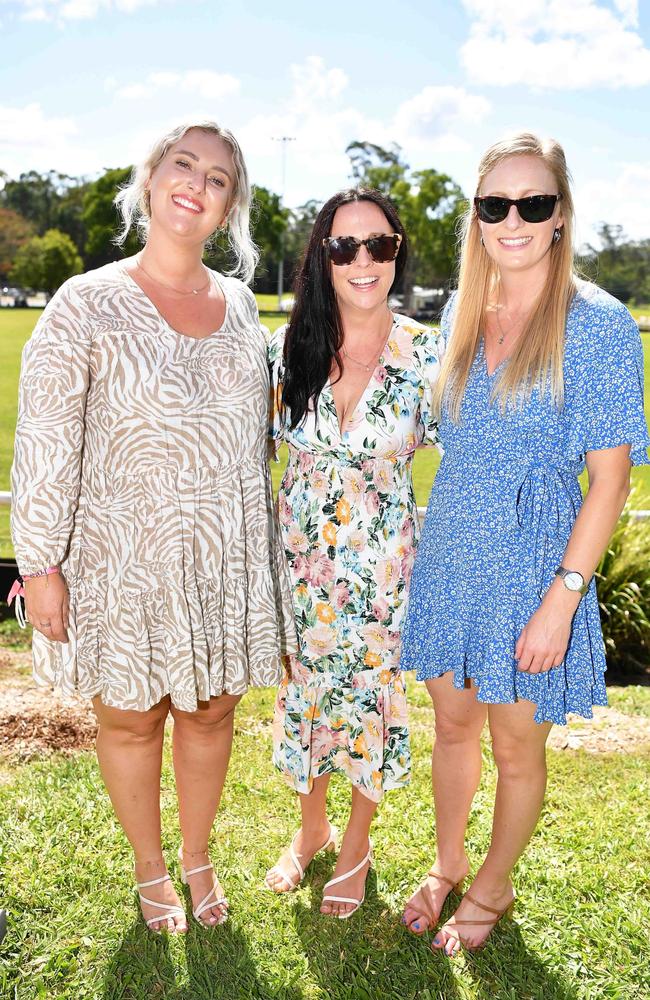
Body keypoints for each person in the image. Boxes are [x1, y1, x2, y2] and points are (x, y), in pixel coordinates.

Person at [10, 120, 295, 933]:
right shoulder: (86, 302)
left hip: (222, 554)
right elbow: (45, 441)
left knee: (210, 711)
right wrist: (40, 564)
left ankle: (198, 857)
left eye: (218, 178)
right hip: (122, 555)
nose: (196, 184)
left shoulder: (242, 307)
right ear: (149, 178)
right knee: (132, 718)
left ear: (229, 205)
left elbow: (265, 441)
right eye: (183, 164)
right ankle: (150, 868)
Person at [400, 132, 649, 955]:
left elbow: (610, 481)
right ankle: (445, 864)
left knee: (514, 742)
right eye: (494, 204)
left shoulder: (599, 323)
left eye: (532, 203)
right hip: (454, 550)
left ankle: (493, 887)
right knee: (451, 725)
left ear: (560, 216)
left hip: (537, 565)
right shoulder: (463, 311)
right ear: (476, 217)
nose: (512, 219)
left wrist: (562, 603)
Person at [265, 189, 441, 917]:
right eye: (344, 247)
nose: (361, 261)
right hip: (300, 564)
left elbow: (473, 457)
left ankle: (356, 844)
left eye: (378, 245)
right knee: (304, 691)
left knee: (371, 700)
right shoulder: (286, 347)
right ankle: (311, 830)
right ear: (322, 256)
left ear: (398, 251)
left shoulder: (428, 356)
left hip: (383, 570)